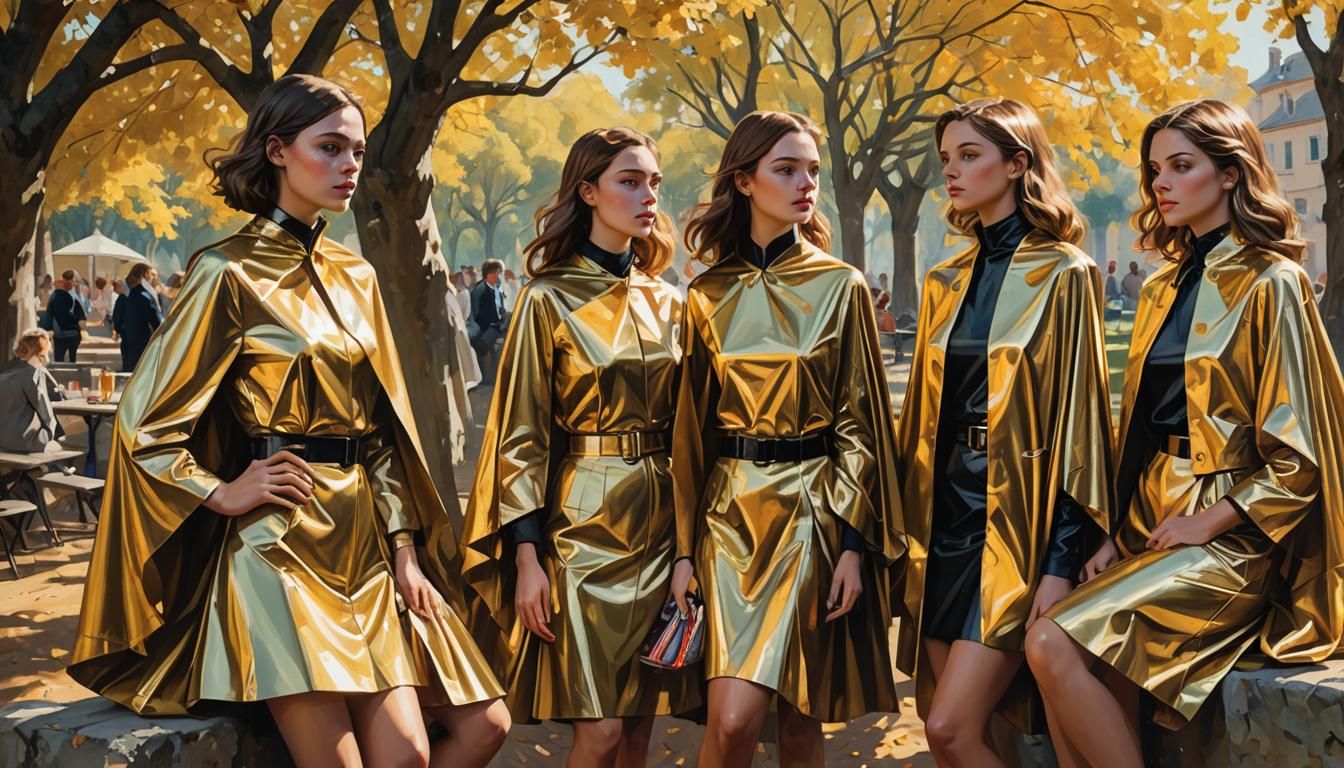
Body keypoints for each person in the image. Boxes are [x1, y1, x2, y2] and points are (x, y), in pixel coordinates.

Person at [68, 74, 509, 768]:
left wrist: (403, 547)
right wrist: (219, 491)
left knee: (448, 742)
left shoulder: (357, 276)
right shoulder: (225, 272)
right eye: (329, 147)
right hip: (276, 550)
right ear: (277, 151)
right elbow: (145, 422)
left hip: (364, 544)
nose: (349, 166)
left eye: (356, 151)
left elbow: (382, 433)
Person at [1026, 99, 1344, 768]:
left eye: (1181, 166)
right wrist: (1112, 530)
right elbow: (1139, 427)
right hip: (1148, 516)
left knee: (1052, 643)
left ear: (1230, 174)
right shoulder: (1160, 287)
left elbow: (1303, 455)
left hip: (1233, 537)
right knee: (1069, 657)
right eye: (1154, 171)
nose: (1160, 184)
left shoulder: (1273, 282)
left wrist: (1209, 522)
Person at [670, 111, 905, 768]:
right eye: (786, 169)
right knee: (734, 719)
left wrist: (855, 543)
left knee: (803, 715)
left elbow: (861, 423)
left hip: (813, 513)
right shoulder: (704, 294)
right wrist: (685, 551)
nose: (806, 184)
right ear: (743, 181)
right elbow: (691, 437)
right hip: (728, 520)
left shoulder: (841, 285)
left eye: (811, 170)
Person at [464, 127, 698, 768]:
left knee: (638, 732)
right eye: (630, 181)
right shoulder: (547, 296)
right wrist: (527, 558)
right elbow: (521, 435)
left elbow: (689, 432)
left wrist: (687, 552)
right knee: (597, 734)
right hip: (581, 532)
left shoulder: (672, 301)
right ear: (588, 191)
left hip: (661, 523)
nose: (648, 195)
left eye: (653, 182)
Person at [893, 98, 1114, 766]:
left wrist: (1060, 561)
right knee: (959, 730)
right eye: (946, 160)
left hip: (1017, 521)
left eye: (970, 156)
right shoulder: (944, 278)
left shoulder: (1064, 272)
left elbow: (1082, 420)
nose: (952, 173)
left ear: (1017, 164)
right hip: (941, 520)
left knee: (949, 729)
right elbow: (920, 420)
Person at [0, 330, 63, 453]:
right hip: (24, 442)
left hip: (2, 442)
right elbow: (46, 414)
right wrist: (49, 437)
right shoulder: (33, 373)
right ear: (35, 353)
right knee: (63, 446)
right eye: (43, 356)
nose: (46, 360)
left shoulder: (5, 369)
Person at [113, 263, 164, 372]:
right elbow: (156, 321)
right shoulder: (145, 296)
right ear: (145, 275)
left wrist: (122, 331)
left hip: (126, 341)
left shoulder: (123, 297)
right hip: (142, 342)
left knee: (128, 372)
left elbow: (116, 318)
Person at [468, 259, 507, 385]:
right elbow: (476, 314)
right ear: (486, 274)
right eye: (492, 273)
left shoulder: (498, 290)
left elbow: (499, 308)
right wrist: (491, 323)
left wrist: (501, 313)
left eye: (497, 272)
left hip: (497, 325)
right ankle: (487, 378)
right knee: (485, 343)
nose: (496, 275)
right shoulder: (479, 290)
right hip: (483, 327)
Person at [45, 270, 86, 363]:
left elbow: (50, 313)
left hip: (60, 332)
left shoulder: (56, 295)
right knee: (71, 359)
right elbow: (81, 314)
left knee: (60, 359)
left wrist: (49, 328)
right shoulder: (74, 296)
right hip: (71, 332)